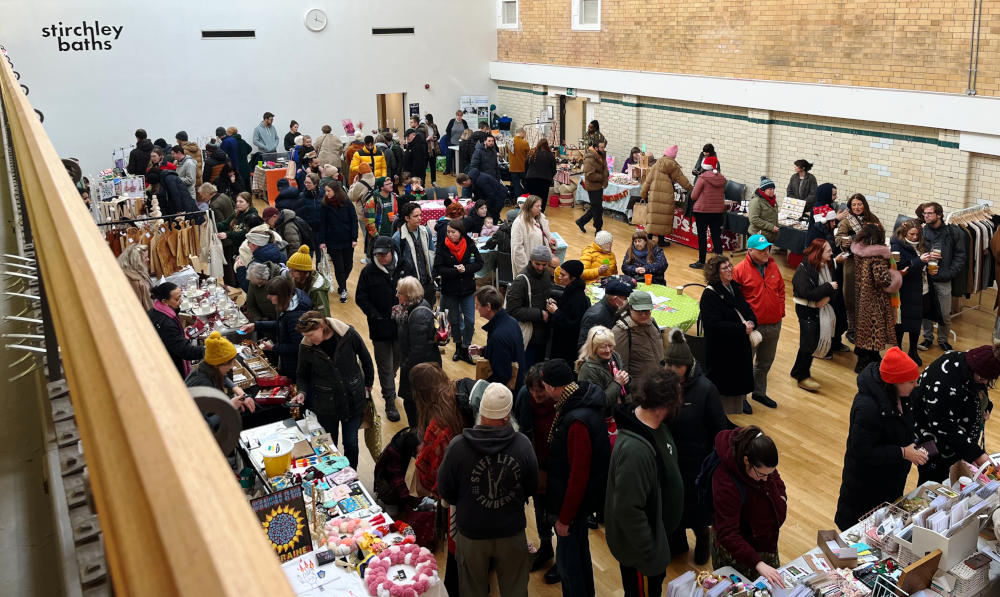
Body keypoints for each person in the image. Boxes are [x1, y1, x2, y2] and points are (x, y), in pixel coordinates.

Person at [437, 383, 538, 597]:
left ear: (481, 411)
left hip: (471, 533)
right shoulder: (523, 445)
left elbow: (445, 491)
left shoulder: (458, 446)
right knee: (516, 588)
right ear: (507, 415)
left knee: (472, 589)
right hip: (511, 531)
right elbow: (531, 486)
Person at [605, 369, 685, 597]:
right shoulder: (635, 452)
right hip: (641, 555)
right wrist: (649, 552)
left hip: (657, 537)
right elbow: (628, 510)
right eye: (676, 400)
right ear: (664, 405)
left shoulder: (657, 427)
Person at [540, 359, 611, 597]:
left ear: (551, 387)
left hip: (570, 509)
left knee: (570, 567)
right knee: (580, 557)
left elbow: (577, 476)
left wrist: (564, 518)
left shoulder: (574, 420)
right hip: (581, 505)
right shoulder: (583, 403)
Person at [834, 347, 925, 530]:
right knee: (859, 534)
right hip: (865, 487)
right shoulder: (867, 408)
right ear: (895, 382)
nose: (916, 385)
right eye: (911, 381)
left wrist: (915, 447)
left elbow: (907, 426)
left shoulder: (905, 396)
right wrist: (902, 452)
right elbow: (862, 451)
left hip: (891, 481)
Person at [663, 329, 726, 565]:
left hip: (697, 462)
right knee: (673, 507)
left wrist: (713, 461)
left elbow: (719, 428)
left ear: (687, 366)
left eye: (675, 366)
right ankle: (677, 541)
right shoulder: (664, 384)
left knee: (697, 511)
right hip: (670, 459)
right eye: (667, 364)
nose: (670, 370)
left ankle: (702, 539)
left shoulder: (706, 389)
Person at [293, 312, 374, 469]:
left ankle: (351, 474)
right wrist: (301, 392)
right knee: (329, 444)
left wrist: (368, 384)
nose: (309, 339)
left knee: (351, 442)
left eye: (311, 334)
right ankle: (333, 475)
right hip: (325, 404)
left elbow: (366, 358)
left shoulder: (348, 334)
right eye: (305, 335)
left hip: (352, 398)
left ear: (322, 326)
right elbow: (302, 374)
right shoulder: (306, 346)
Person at [711, 426, 787, 587]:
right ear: (747, 461)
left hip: (764, 543)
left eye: (770, 473)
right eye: (762, 475)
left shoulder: (761, 460)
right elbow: (728, 534)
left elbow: (775, 479)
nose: (767, 479)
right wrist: (758, 563)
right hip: (737, 554)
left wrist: (781, 497)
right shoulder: (726, 482)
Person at [913, 343, 1000, 484]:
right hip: (933, 444)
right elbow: (944, 426)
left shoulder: (971, 366)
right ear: (975, 368)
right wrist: (977, 454)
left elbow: (978, 392)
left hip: (958, 444)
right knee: (932, 485)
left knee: (955, 482)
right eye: (983, 378)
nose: (985, 382)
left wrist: (986, 407)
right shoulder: (944, 383)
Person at [356, 236, 415, 422]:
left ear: (392, 251)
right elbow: (360, 297)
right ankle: (390, 400)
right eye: (377, 255)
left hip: (401, 326)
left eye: (384, 254)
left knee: (397, 360)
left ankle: (391, 376)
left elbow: (415, 290)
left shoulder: (405, 267)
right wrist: (374, 315)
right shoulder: (368, 272)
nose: (381, 258)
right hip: (379, 327)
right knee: (384, 366)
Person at [732, 235, 786, 409]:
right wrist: (743, 323)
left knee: (765, 363)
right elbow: (735, 300)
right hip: (753, 327)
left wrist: (781, 310)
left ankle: (759, 392)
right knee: (745, 364)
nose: (766, 252)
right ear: (750, 250)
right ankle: (741, 398)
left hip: (774, 323)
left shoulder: (773, 266)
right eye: (761, 250)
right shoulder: (739, 270)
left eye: (767, 248)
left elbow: (781, 289)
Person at [701, 255, 757, 414]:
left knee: (736, 389)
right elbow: (713, 325)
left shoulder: (734, 287)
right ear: (715, 273)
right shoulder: (709, 295)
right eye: (725, 268)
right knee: (723, 394)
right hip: (723, 352)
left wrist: (752, 322)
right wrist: (741, 328)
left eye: (730, 266)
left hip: (738, 347)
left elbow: (746, 309)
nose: (730, 269)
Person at [851, 224, 903, 373]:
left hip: (862, 297)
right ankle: (867, 362)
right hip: (876, 300)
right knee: (873, 330)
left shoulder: (858, 252)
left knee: (862, 327)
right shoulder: (877, 257)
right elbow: (882, 280)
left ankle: (862, 355)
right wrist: (896, 276)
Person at [790, 239, 840, 391]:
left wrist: (827, 298)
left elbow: (836, 289)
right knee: (809, 344)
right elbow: (806, 293)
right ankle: (803, 377)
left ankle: (797, 370)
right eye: (828, 251)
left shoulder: (827, 266)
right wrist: (827, 288)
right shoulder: (804, 269)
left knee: (808, 341)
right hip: (806, 310)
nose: (832, 253)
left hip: (818, 309)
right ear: (819, 253)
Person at [239, 276, 311, 379]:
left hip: (295, 365)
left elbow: (298, 347)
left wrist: (274, 348)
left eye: (271, 294)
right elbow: (281, 324)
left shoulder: (296, 316)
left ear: (281, 295)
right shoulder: (287, 305)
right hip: (288, 361)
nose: (268, 297)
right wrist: (256, 326)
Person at [918, 201, 967, 352]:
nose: (925, 216)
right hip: (926, 277)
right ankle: (927, 338)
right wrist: (923, 256)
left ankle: (943, 340)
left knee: (945, 313)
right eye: (924, 213)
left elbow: (961, 256)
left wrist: (949, 273)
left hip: (943, 278)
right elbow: (916, 250)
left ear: (939, 215)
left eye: (929, 213)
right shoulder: (922, 232)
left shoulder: (953, 232)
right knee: (926, 310)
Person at [434, 219, 483, 364]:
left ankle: (466, 346)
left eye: (453, 232)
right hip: (450, 290)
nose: (450, 235)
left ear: (460, 232)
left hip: (467, 290)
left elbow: (480, 263)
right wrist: (455, 270)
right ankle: (458, 348)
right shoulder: (443, 246)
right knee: (454, 321)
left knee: (470, 321)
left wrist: (466, 269)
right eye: (448, 232)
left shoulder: (469, 244)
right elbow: (438, 267)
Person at [395, 276, 441, 427]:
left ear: (408, 295)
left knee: (415, 408)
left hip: (418, 372)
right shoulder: (415, 306)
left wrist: (405, 365)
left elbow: (418, 351)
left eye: (399, 292)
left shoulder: (418, 315)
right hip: (421, 368)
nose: (397, 295)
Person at [835, 193, 882, 340]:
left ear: (864, 205)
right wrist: (846, 241)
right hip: (852, 263)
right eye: (854, 205)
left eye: (859, 204)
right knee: (851, 296)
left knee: (867, 295)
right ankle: (852, 330)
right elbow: (838, 238)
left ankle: (866, 327)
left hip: (869, 263)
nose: (857, 207)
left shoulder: (872, 219)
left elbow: (880, 235)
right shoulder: (847, 221)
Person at [892, 220, 936, 365]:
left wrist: (932, 260)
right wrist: (919, 261)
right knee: (901, 323)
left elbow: (925, 264)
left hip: (922, 289)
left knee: (916, 322)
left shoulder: (924, 245)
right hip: (906, 289)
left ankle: (913, 351)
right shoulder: (897, 245)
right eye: (911, 234)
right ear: (905, 233)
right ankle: (897, 350)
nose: (915, 237)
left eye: (917, 234)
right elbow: (900, 269)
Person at [505, 246, 555, 367]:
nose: (540, 268)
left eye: (544, 264)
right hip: (529, 336)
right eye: (537, 264)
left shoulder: (546, 274)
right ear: (531, 260)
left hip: (542, 334)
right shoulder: (521, 280)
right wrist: (540, 314)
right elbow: (512, 310)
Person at [184, 331, 255, 414]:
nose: (232, 366)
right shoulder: (205, 384)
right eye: (230, 363)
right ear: (217, 365)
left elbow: (223, 376)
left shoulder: (207, 367)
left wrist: (238, 390)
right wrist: (229, 406)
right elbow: (206, 421)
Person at [470, 286, 526, 389]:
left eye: (477, 305)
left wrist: (479, 386)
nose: (476, 308)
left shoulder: (498, 337)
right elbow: (507, 352)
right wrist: (483, 350)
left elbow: (502, 376)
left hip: (506, 393)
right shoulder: (512, 321)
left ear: (488, 306)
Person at [148, 282, 204, 378]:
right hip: (169, 367)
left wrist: (181, 334)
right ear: (165, 301)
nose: (181, 301)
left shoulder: (157, 311)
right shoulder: (165, 323)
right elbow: (185, 351)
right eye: (177, 299)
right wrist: (208, 351)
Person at [640, 144, 692, 246]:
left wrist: (643, 193)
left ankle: (649, 239)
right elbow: (683, 180)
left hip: (654, 196)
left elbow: (648, 181)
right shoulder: (673, 166)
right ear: (673, 157)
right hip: (667, 196)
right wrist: (692, 189)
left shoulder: (656, 165)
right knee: (663, 219)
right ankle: (661, 241)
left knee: (653, 217)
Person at [316, 181, 357, 303]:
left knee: (348, 266)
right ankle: (344, 289)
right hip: (332, 241)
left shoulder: (347, 203)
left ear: (336, 191)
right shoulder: (324, 205)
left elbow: (354, 221)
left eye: (329, 190)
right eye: (326, 191)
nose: (326, 193)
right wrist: (322, 241)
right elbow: (322, 224)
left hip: (347, 240)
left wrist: (354, 238)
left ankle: (341, 283)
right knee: (339, 267)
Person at [612, 290, 662, 387]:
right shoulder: (621, 331)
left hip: (658, 384)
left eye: (647, 311)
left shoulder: (652, 322)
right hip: (640, 389)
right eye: (639, 311)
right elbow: (621, 368)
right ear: (630, 309)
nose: (644, 315)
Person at [576, 326, 629, 411]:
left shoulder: (614, 356)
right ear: (593, 348)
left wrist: (627, 380)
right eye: (603, 347)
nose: (608, 350)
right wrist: (617, 383)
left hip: (619, 411)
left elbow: (624, 388)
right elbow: (598, 402)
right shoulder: (588, 369)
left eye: (610, 345)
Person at [392, 202, 436, 306]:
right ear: (407, 218)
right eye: (416, 216)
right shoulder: (398, 238)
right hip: (409, 286)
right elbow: (395, 264)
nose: (420, 218)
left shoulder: (426, 232)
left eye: (420, 215)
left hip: (426, 282)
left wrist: (432, 274)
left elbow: (431, 254)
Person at [547, 260, 590, 363]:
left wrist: (556, 312)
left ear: (573, 277)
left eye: (563, 275)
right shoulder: (570, 288)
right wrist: (556, 304)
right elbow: (567, 308)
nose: (559, 277)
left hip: (566, 346)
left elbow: (572, 323)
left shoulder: (579, 298)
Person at [689, 155, 726, 269]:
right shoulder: (721, 178)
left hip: (702, 211)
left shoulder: (702, 178)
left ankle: (701, 261)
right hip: (718, 211)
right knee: (716, 236)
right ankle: (720, 261)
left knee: (702, 236)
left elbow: (694, 196)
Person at [578, 277, 632, 348]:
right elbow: (584, 345)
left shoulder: (614, 308)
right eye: (625, 298)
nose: (627, 301)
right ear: (615, 299)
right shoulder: (596, 316)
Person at [511, 195, 555, 275]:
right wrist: (525, 269)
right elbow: (517, 249)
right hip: (529, 266)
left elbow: (545, 235)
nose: (540, 208)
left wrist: (550, 241)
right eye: (537, 206)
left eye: (540, 206)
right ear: (529, 207)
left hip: (541, 263)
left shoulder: (541, 219)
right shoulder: (519, 223)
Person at [284, 246, 331, 317]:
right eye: (290, 270)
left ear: (305, 273)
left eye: (294, 271)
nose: (291, 275)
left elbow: (324, 316)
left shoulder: (317, 291)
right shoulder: (297, 279)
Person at [575, 143, 609, 234]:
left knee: (596, 207)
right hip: (593, 186)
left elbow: (604, 168)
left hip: (599, 185)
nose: (603, 149)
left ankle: (581, 221)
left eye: (604, 147)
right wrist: (602, 177)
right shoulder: (590, 158)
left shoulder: (601, 155)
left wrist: (606, 176)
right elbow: (590, 175)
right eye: (602, 147)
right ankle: (598, 229)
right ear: (596, 148)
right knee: (597, 208)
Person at [524, 138, 557, 211]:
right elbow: (554, 170)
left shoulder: (532, 153)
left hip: (530, 179)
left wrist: (527, 175)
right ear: (547, 145)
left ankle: (529, 214)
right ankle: (540, 214)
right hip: (544, 181)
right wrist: (550, 177)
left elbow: (526, 166)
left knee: (531, 200)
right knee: (542, 199)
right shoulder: (550, 155)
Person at [117, 243, 152, 311]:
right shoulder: (132, 280)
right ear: (136, 260)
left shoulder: (140, 272)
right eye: (145, 257)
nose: (148, 259)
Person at [747, 176, 780, 243]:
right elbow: (754, 219)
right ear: (763, 190)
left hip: (769, 236)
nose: (772, 191)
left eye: (773, 189)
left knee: (766, 253)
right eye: (770, 189)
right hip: (758, 235)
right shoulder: (756, 201)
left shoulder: (772, 200)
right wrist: (771, 227)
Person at [507, 127, 530, 198]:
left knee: (516, 185)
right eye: (524, 134)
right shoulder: (525, 143)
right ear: (522, 133)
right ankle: (526, 199)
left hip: (513, 168)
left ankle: (518, 201)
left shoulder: (509, 142)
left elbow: (508, 152)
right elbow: (528, 154)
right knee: (526, 184)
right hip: (522, 167)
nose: (525, 136)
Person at [404, 119, 430, 184]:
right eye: (406, 137)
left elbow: (418, 163)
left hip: (416, 175)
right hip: (412, 173)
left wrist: (413, 176)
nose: (407, 138)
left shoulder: (418, 145)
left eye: (408, 136)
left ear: (413, 135)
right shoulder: (411, 144)